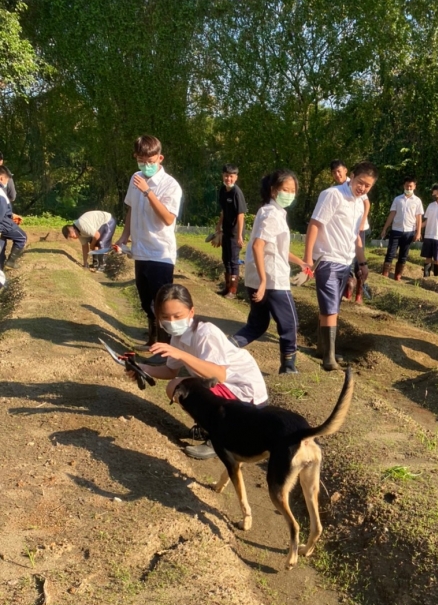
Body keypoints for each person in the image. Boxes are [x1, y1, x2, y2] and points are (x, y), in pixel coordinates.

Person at [128, 283, 268, 460]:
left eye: (177, 316)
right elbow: (171, 370)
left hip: (246, 397)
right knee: (175, 386)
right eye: (165, 317)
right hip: (225, 392)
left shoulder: (206, 333)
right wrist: (145, 368)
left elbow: (219, 375)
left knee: (185, 388)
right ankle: (211, 427)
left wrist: (181, 354)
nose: (172, 322)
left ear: (191, 313)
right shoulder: (178, 337)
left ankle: (219, 439)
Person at [296, 161, 378, 371]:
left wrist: (362, 262)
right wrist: (308, 260)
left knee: (332, 307)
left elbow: (357, 237)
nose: (363, 188)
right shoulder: (333, 195)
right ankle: (329, 358)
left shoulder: (360, 204)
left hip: (345, 260)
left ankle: (323, 348)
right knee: (330, 308)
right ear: (352, 176)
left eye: (368, 186)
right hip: (327, 259)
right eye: (360, 183)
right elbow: (314, 224)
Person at [230, 169, 307, 374]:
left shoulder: (268, 211)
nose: (289, 194)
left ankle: (226, 349)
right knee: (290, 323)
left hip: (258, 277)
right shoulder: (272, 215)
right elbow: (257, 246)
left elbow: (276, 248)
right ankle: (289, 368)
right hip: (272, 281)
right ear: (273, 190)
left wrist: (300, 261)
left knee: (257, 325)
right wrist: (265, 282)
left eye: (292, 190)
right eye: (285, 189)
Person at [114, 135, 183, 347]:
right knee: (146, 301)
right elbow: (131, 209)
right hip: (140, 250)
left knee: (162, 303)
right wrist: (124, 237)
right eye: (141, 161)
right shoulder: (135, 179)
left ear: (160, 158)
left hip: (161, 252)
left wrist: (148, 192)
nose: (146, 166)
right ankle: (152, 341)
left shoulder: (171, 186)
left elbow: (168, 218)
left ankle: (165, 350)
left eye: (150, 162)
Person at [330, 160, 370, 304]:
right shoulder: (335, 190)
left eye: (339, 171)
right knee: (347, 260)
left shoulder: (355, 183)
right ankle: (347, 291)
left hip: (357, 228)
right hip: (345, 229)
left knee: (358, 260)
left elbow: (366, 203)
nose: (337, 174)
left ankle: (358, 295)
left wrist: (361, 223)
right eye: (334, 173)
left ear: (346, 171)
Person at [209, 163, 247, 298]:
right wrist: (218, 226)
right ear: (223, 176)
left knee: (233, 260)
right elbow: (224, 210)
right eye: (226, 176)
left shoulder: (237, 193)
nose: (228, 179)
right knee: (225, 258)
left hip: (236, 232)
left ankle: (233, 290)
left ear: (236, 177)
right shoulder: (222, 191)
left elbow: (241, 214)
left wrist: (240, 236)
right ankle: (226, 287)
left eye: (231, 176)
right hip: (226, 230)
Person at [380, 177, 423, 280]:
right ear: (404, 186)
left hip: (409, 231)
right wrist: (385, 228)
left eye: (410, 186)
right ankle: (385, 273)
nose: (408, 188)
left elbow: (419, 218)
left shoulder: (417, 201)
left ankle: (397, 276)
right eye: (407, 186)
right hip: (396, 230)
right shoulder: (397, 199)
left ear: (414, 187)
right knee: (390, 253)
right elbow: (392, 214)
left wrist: (418, 232)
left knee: (403, 254)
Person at [0, 167, 27, 274]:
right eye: (7, 179)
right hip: (3, 223)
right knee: (22, 237)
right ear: (1, 178)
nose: (8, 182)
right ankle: (11, 262)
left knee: (1, 251)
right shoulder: (1, 195)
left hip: (4, 221)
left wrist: (11, 215)